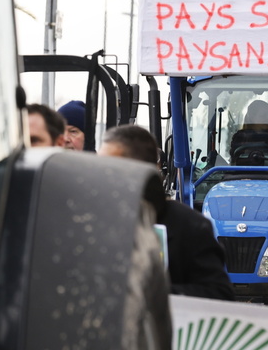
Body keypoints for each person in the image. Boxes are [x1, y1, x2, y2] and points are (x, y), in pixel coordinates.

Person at [99, 124, 235, 300]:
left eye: (112, 168)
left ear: (143, 170)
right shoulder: (93, 220)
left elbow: (219, 295)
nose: (102, 174)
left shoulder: (191, 227)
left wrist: (154, 293)